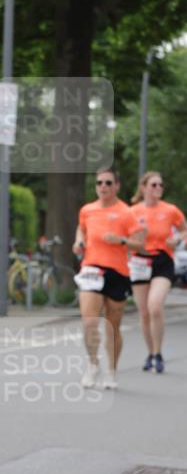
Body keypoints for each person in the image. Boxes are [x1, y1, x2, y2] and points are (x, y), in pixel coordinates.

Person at [72, 167, 145, 390]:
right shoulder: (87, 210)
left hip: (118, 272)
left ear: (117, 186)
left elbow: (140, 242)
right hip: (92, 269)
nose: (103, 187)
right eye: (99, 183)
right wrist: (78, 242)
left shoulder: (127, 212)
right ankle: (93, 364)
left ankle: (111, 370)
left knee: (112, 326)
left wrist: (121, 240)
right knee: (89, 321)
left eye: (108, 183)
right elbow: (81, 229)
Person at [129, 171, 187, 373]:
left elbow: (184, 229)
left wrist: (178, 240)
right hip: (139, 261)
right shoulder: (133, 211)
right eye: (153, 185)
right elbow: (125, 238)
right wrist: (133, 240)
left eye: (160, 185)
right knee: (144, 313)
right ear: (143, 188)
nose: (158, 189)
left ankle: (158, 353)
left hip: (163, 261)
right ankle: (151, 352)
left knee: (155, 306)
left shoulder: (170, 210)